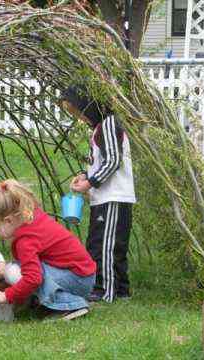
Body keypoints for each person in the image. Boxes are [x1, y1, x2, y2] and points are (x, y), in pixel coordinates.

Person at [0, 179, 96, 321]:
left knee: (14, 272)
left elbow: (33, 279)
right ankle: (43, 301)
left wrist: (5, 296)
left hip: (77, 279)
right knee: (16, 268)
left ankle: (70, 304)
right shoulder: (30, 217)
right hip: (82, 275)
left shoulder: (26, 240)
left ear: (8, 220)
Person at [62, 86, 136, 303]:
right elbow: (102, 162)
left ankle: (106, 289)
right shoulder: (99, 127)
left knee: (105, 245)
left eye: (78, 111)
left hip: (113, 197)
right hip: (104, 197)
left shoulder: (109, 124)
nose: (79, 117)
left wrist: (90, 183)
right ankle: (121, 290)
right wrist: (86, 175)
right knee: (102, 241)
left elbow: (113, 160)